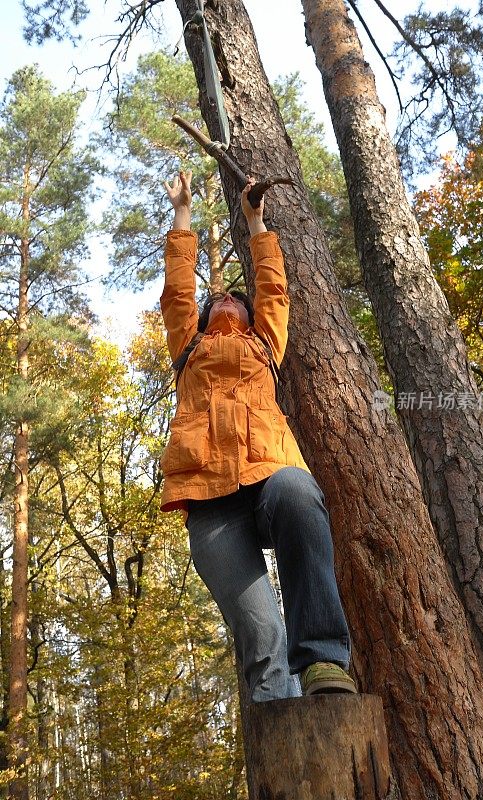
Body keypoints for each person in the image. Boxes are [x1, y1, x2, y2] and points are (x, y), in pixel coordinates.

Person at [160, 170, 356, 701]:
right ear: (203, 318)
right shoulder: (188, 350)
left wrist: (255, 220)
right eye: (216, 299)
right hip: (211, 505)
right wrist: (183, 214)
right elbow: (178, 290)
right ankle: (283, 751)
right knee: (265, 639)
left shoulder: (265, 345)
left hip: (269, 478)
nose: (225, 298)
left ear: (248, 315)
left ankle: (324, 665)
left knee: (298, 490)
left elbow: (274, 285)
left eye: (235, 299)